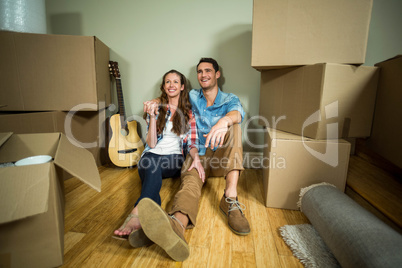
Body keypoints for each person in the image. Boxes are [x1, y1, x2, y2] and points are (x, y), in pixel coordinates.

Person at [138, 58, 250, 262]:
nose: (203, 75)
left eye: (208, 70)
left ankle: (230, 199)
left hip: (222, 159)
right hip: (196, 154)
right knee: (190, 183)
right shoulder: (191, 95)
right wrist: (154, 103)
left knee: (235, 127)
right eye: (199, 71)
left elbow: (238, 113)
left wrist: (224, 121)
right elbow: (169, 94)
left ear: (217, 74)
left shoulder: (228, 99)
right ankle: (176, 224)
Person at [113, 69, 204, 248]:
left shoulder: (189, 113)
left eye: (175, 82)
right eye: (168, 82)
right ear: (163, 86)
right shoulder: (155, 109)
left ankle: (137, 212)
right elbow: (152, 144)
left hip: (173, 160)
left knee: (153, 165)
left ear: (182, 86)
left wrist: (197, 159)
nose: (171, 85)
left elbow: (192, 142)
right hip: (152, 156)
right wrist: (153, 118)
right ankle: (152, 221)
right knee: (150, 160)